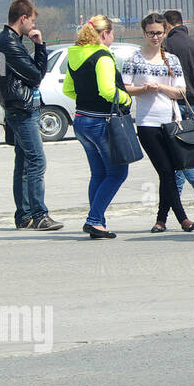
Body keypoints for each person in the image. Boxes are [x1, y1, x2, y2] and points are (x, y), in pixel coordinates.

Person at [124, 13, 194, 233]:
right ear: (144, 33)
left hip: (170, 122)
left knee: (171, 171)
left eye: (158, 33)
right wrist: (143, 89)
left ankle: (161, 220)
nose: (154, 37)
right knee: (166, 171)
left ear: (165, 32)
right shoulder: (135, 59)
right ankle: (183, 219)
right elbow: (125, 87)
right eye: (150, 33)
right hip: (147, 123)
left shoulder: (172, 60)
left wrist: (161, 88)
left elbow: (181, 91)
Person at [0, 0, 62, 231]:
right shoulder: (10, 45)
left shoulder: (2, 42)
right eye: (31, 21)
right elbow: (35, 75)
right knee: (36, 160)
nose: (33, 26)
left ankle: (24, 216)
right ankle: (39, 214)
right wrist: (40, 46)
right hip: (22, 110)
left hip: (14, 108)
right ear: (22, 19)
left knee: (23, 163)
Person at [62, 14, 131, 238]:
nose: (112, 38)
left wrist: (86, 98)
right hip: (101, 121)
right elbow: (107, 90)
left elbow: (68, 91)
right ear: (104, 34)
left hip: (81, 120)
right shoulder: (103, 56)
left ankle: (98, 221)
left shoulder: (75, 55)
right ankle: (93, 219)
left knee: (99, 173)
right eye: (112, 34)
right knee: (118, 172)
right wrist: (127, 99)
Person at [162, 9, 194, 201]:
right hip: (192, 103)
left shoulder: (165, 46)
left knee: (176, 150)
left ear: (168, 25)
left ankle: (178, 196)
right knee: (183, 147)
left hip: (171, 103)